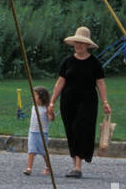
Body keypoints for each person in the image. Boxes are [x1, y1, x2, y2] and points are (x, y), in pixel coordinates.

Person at [48, 26, 110, 178]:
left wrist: (105, 102)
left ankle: (78, 167)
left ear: (88, 45)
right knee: (71, 130)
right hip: (68, 101)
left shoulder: (95, 63)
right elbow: (60, 82)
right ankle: (75, 163)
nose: (79, 45)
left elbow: (100, 83)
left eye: (82, 43)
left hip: (88, 101)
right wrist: (52, 102)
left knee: (80, 130)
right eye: (77, 42)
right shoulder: (67, 61)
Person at [23, 86, 53, 176]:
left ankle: (48, 167)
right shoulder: (34, 107)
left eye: (34, 95)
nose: (32, 97)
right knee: (31, 150)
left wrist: (51, 113)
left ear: (41, 97)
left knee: (44, 151)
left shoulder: (45, 108)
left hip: (42, 133)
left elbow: (51, 119)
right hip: (32, 132)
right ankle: (29, 168)